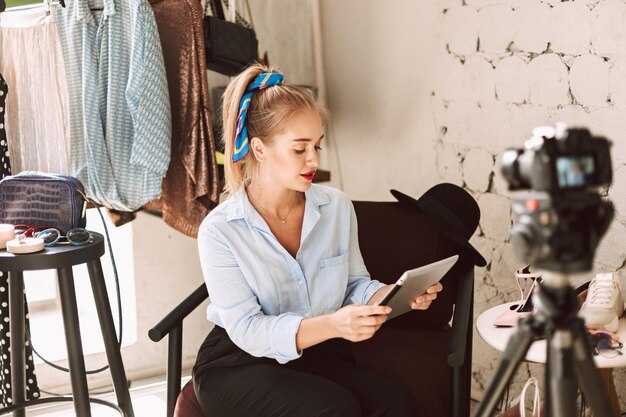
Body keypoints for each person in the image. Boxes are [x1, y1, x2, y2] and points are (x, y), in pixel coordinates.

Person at [194, 63, 443, 417]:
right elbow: (247, 330)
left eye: (317, 146)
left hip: (319, 351)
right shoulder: (220, 230)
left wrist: (394, 294)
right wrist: (333, 324)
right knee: (334, 409)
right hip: (239, 363)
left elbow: (354, 284)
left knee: (395, 404)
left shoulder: (336, 206)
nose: (313, 159)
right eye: (299, 149)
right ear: (260, 149)